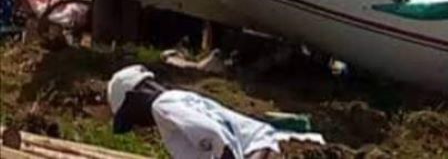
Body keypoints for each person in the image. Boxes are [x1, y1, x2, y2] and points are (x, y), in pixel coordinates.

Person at [107, 65, 322, 158]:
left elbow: (219, 139)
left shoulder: (162, 107)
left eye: (130, 117)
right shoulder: (178, 98)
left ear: (134, 99)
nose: (136, 125)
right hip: (263, 144)